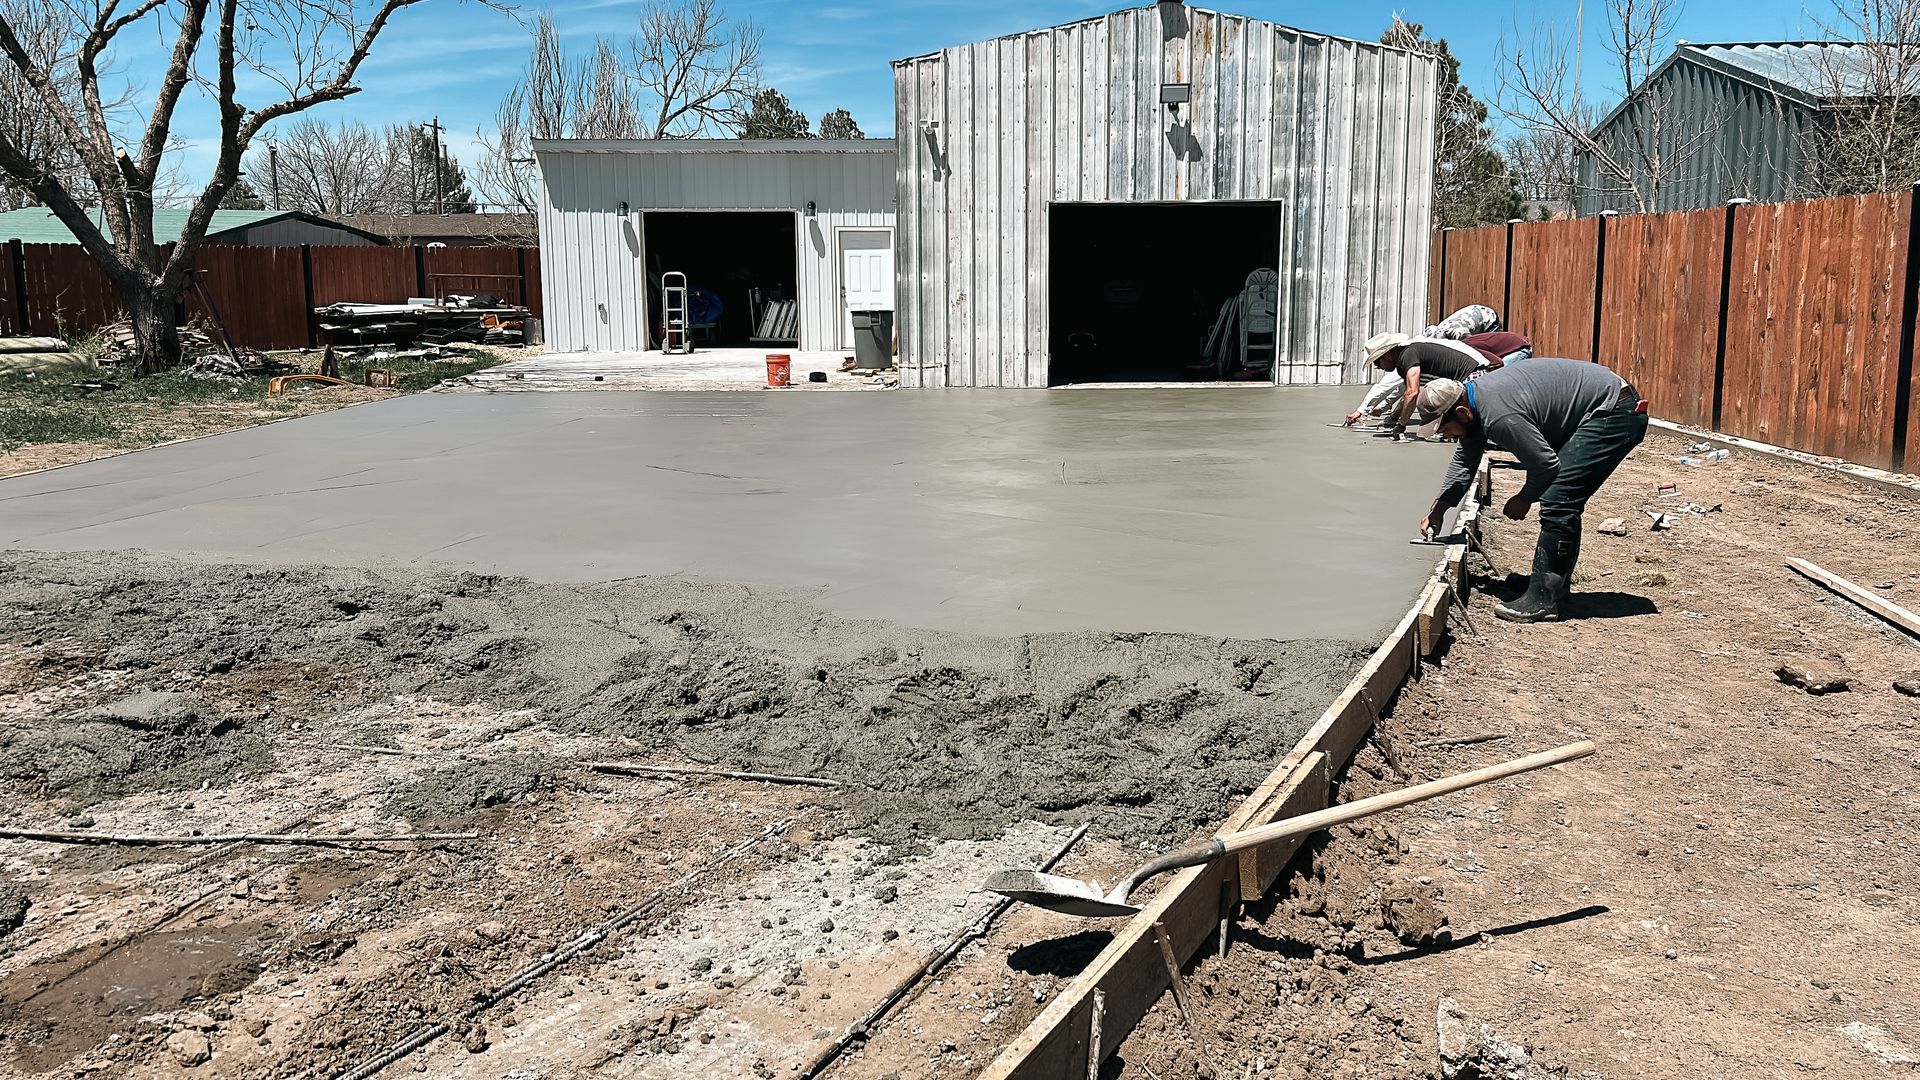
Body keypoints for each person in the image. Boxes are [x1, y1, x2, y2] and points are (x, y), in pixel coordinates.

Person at [1409, 358, 1650, 623]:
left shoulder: (1499, 415)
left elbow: (1545, 465)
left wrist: (1524, 498)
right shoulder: (1474, 402)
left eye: (1445, 429)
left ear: (1462, 413)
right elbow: (1465, 462)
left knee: (1559, 498)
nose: (1447, 436)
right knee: (1560, 495)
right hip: (1602, 403)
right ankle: (1550, 586)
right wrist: (1439, 508)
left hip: (1613, 412)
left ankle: (1543, 600)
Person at [1344, 332, 1485, 428]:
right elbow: (1405, 393)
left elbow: (1412, 393)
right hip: (1465, 376)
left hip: (1473, 375)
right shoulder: (1402, 363)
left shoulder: (1408, 355)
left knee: (1467, 421)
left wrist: (1401, 425)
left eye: (1377, 363)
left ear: (1387, 356)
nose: (1378, 367)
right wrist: (1394, 416)